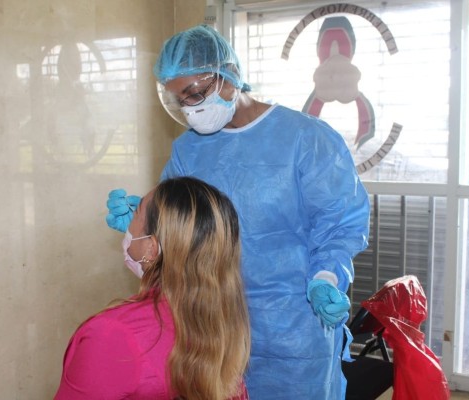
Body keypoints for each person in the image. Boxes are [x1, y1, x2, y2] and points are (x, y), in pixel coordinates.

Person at [106, 24, 370, 399]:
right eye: (181, 100)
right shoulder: (188, 150)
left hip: (292, 328)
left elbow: (339, 223)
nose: (192, 108)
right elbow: (177, 214)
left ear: (229, 74)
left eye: (196, 93)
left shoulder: (305, 139)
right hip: (210, 327)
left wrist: (326, 278)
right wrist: (142, 220)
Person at [57, 177, 251, 400]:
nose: (129, 226)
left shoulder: (112, 334)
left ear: (151, 247)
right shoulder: (224, 325)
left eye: (136, 215)